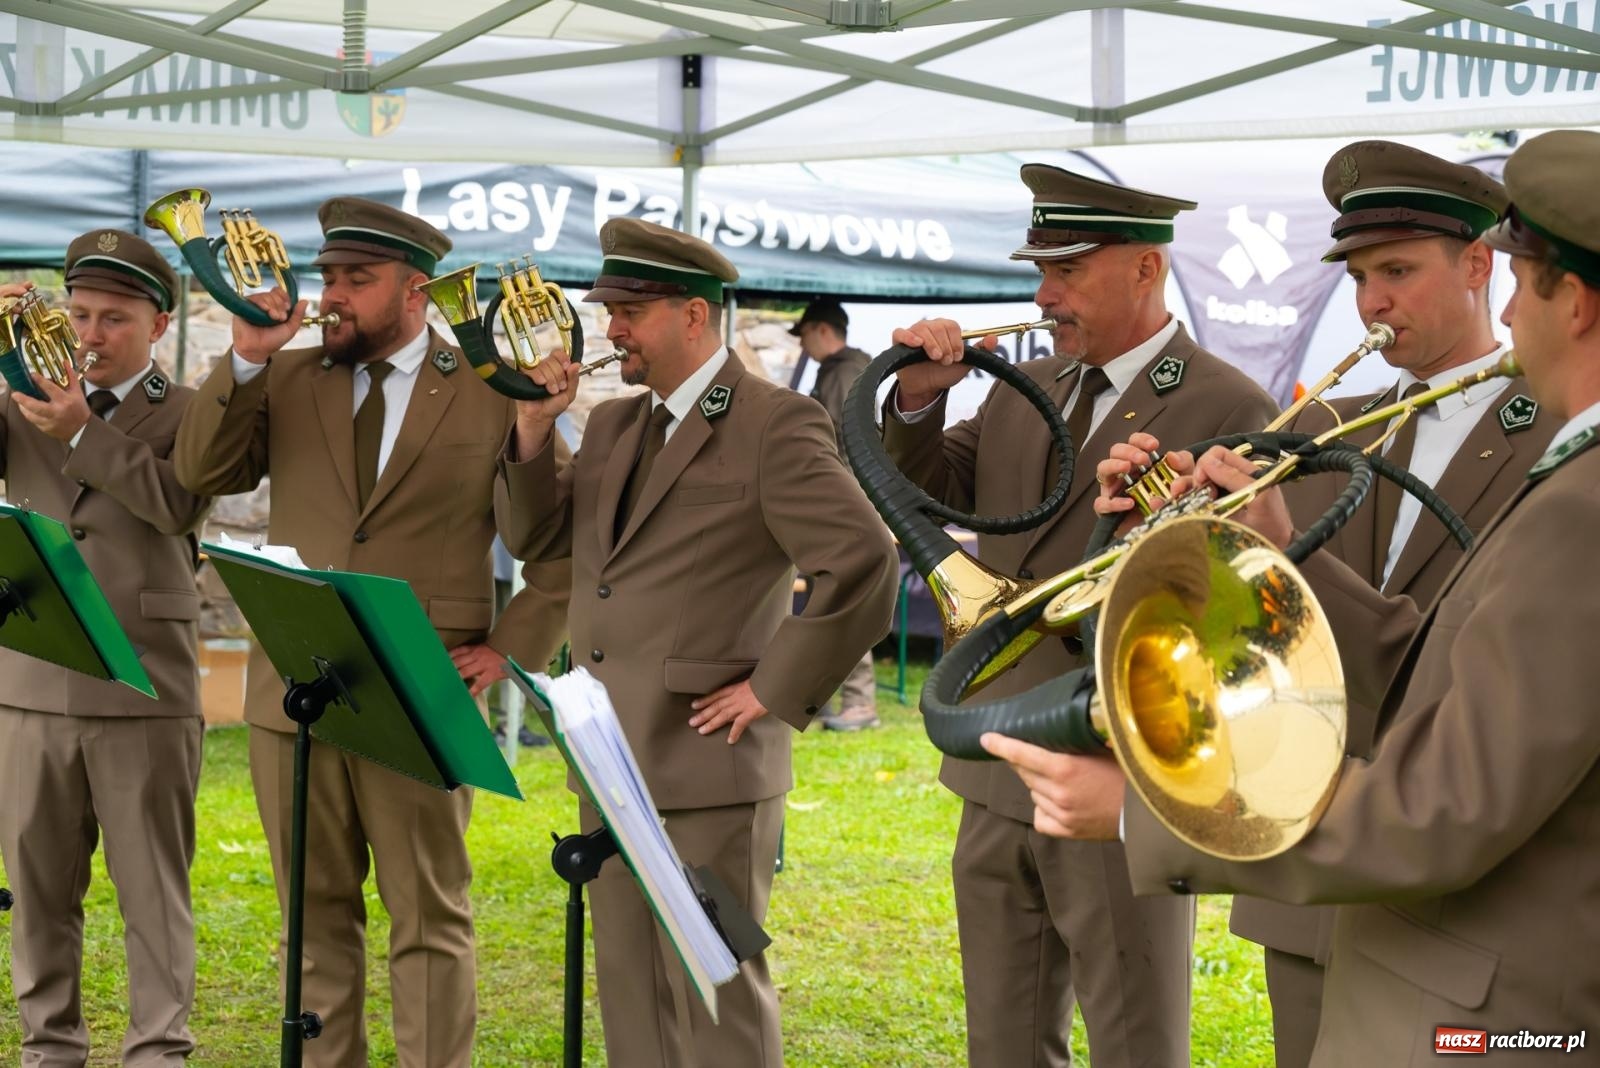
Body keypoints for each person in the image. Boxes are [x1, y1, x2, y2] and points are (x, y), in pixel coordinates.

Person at [985, 128, 1600, 1066]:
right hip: (1359, 913)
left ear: (1568, 299)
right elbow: (1414, 660)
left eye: (1398, 271)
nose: (1372, 302)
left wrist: (1145, 810)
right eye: (1360, 277)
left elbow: (1450, 795)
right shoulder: (1336, 431)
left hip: (1471, 971)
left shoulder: (1577, 496)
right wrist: (1236, 541)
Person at [880, 163, 1278, 1068]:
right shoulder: (1032, 382)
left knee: (1133, 1034)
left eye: (1067, 271)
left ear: (1146, 269)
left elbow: (1227, 613)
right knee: (1003, 1037)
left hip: (1112, 760)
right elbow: (932, 488)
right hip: (995, 756)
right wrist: (918, 396)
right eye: (1041, 271)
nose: (1043, 295)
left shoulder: (1227, 402)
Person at [172, 197, 570, 1068]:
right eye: (329, 276)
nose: (334, 295)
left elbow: (553, 543)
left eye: (358, 279)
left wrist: (510, 647)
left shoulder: (491, 388)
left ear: (416, 290)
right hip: (296, 693)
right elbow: (200, 470)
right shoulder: (285, 374)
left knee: (429, 915)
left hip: (423, 691)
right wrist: (245, 357)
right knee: (312, 915)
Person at [498, 217, 898, 1067]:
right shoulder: (614, 426)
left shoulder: (774, 422)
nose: (611, 329)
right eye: (609, 310)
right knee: (632, 992)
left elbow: (864, 561)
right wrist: (533, 428)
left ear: (692, 315)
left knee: (719, 1000)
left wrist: (772, 689)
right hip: (609, 758)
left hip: (707, 764)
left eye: (629, 312)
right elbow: (540, 542)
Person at [0, 231, 211, 1065]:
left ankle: (158, 1050)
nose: (90, 334)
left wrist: (84, 431)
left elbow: (176, 505)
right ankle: (48, 1048)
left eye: (114, 318)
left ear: (158, 324)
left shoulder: (191, 409)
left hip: (145, 683)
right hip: (31, 678)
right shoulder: (22, 393)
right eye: (80, 313)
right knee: (38, 892)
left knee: (152, 893)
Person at [793, 296, 879, 731]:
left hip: (844, 504)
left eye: (804, 334)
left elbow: (849, 443)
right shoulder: (841, 369)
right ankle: (823, 697)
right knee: (826, 600)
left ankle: (860, 704)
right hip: (836, 502)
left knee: (843, 598)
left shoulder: (844, 372)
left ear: (822, 330)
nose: (802, 345)